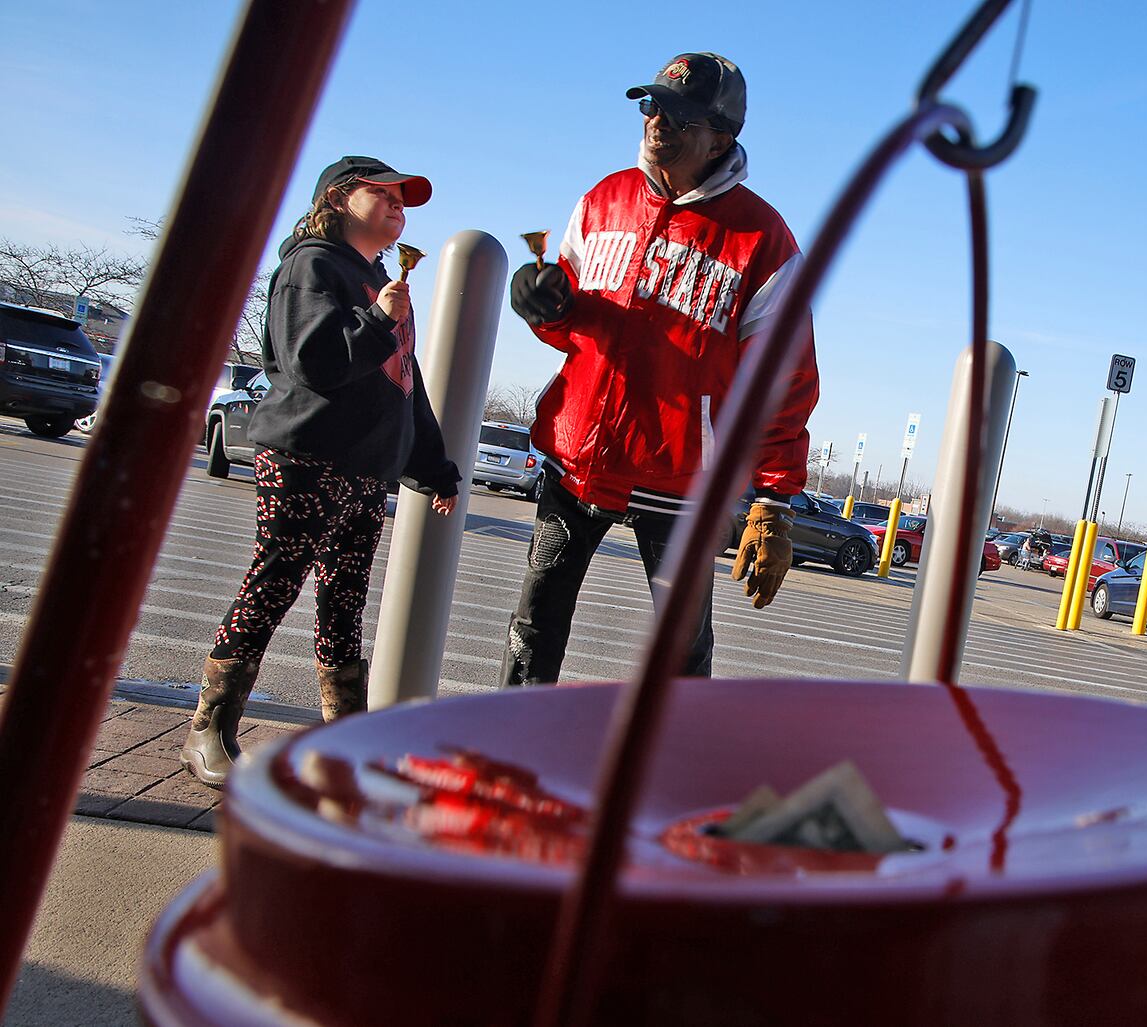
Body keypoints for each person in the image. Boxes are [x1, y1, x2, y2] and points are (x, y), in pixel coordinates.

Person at [501, 52, 820, 686]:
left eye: (679, 113)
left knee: (681, 649)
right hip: (579, 457)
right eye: (651, 105)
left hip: (680, 480)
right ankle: (510, 759)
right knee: (533, 625)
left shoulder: (762, 238)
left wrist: (773, 500)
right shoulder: (603, 199)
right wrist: (542, 304)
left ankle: (674, 770)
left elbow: (783, 380)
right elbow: (573, 327)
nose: (657, 121)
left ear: (721, 136)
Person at [181, 156, 461, 788]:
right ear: (337, 199)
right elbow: (313, 362)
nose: (399, 206)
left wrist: (432, 468)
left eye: (404, 199)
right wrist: (379, 320)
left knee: (345, 603)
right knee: (274, 581)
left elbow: (404, 387)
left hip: (365, 468)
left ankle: (344, 738)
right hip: (306, 456)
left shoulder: (380, 281)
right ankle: (208, 729)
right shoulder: (310, 265)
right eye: (384, 194)